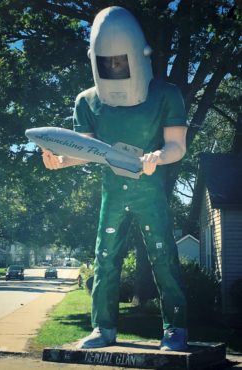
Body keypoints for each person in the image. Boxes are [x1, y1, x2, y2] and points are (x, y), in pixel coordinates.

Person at [42, 6, 188, 351]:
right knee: (105, 260)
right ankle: (102, 328)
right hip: (112, 193)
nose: (116, 68)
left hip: (149, 192)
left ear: (139, 56)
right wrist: (61, 161)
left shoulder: (165, 95)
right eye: (109, 62)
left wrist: (158, 157)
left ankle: (176, 329)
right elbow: (88, 150)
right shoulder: (87, 102)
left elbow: (176, 145)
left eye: (122, 61)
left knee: (164, 258)